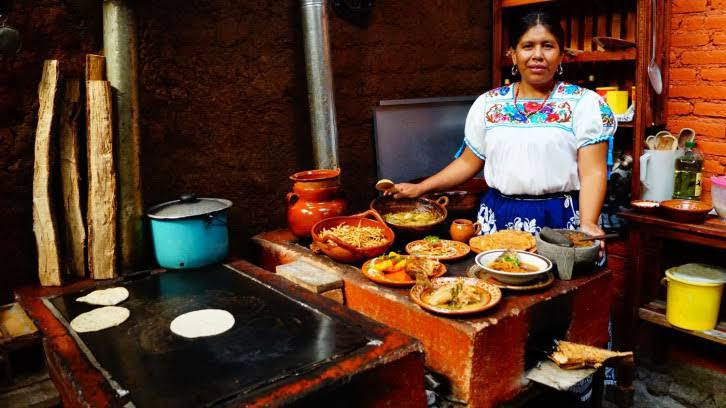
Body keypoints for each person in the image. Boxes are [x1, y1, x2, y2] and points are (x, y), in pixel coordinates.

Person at [389, 9, 615, 250]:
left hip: (561, 220)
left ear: (561, 55)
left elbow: (593, 172)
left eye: (547, 46)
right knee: (496, 284)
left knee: (564, 285)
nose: (537, 55)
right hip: (498, 218)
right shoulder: (489, 104)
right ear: (513, 54)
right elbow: (468, 162)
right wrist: (421, 188)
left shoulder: (585, 104)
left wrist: (589, 222)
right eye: (527, 46)